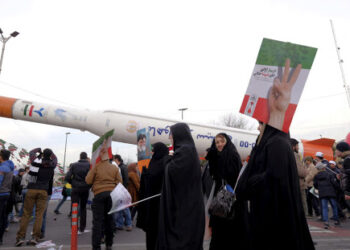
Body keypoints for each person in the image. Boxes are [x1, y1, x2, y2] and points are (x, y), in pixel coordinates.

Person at [235, 123, 315, 250]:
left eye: (261, 124)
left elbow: (273, 176)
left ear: (271, 125)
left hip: (273, 215)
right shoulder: (276, 142)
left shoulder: (276, 143)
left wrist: (250, 181)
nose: (258, 128)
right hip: (271, 211)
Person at [157, 123, 205, 250]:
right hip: (187, 204)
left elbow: (173, 172)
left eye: (171, 134)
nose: (169, 138)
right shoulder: (186, 149)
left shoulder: (185, 150)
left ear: (179, 135)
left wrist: (167, 160)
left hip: (186, 208)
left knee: (183, 241)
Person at [205, 133, 242, 250]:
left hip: (230, 198)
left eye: (222, 141)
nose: (219, 144)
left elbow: (234, 176)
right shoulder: (216, 156)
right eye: (217, 142)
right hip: (219, 198)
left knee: (228, 230)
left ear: (227, 142)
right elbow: (214, 176)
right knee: (217, 229)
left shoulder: (233, 155)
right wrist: (213, 157)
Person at [16, 148, 57, 246]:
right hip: (43, 191)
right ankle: (35, 237)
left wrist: (39, 149)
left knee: (26, 214)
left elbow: (31, 152)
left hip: (32, 189)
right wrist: (51, 153)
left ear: (43, 155)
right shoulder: (52, 164)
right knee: (39, 215)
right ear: (50, 155)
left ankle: (20, 237)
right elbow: (55, 158)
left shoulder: (35, 162)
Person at [86, 146, 122, 250]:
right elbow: (120, 182)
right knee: (109, 220)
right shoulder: (114, 168)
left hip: (99, 195)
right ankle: (109, 244)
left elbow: (88, 181)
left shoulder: (96, 167)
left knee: (97, 222)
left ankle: (96, 246)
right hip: (111, 195)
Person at [137, 142, 169, 250]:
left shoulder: (166, 161)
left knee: (160, 236)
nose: (152, 152)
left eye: (154, 150)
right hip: (151, 206)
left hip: (161, 206)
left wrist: (148, 176)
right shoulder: (153, 162)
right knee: (151, 236)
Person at [65, 152, 91, 234]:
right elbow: (92, 177)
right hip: (85, 189)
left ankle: (74, 227)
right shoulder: (90, 165)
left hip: (75, 188)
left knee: (74, 208)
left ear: (80, 157)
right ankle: (82, 227)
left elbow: (67, 177)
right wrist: (88, 185)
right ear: (86, 157)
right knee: (83, 208)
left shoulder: (74, 165)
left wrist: (72, 183)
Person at [313, 162, 340, 229]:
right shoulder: (329, 174)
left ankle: (326, 222)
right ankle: (336, 220)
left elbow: (315, 185)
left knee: (324, 208)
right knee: (334, 206)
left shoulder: (316, 176)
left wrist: (319, 188)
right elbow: (334, 183)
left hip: (322, 193)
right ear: (324, 168)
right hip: (331, 192)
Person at [113, 154, 132, 231]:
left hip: (121, 190)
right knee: (119, 208)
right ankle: (119, 224)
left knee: (125, 208)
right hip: (120, 189)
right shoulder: (120, 167)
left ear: (117, 159)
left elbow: (125, 180)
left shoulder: (122, 167)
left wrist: (122, 189)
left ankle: (128, 224)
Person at [0, 149, 14, 246]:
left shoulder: (3, 168)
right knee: (3, 217)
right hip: (6, 194)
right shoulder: (10, 166)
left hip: (1, 194)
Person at [290, 138, 308, 215]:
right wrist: (305, 169)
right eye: (297, 145)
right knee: (302, 207)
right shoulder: (294, 155)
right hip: (299, 185)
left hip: (291, 184)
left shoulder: (285, 154)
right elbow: (301, 172)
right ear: (293, 146)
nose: (298, 147)